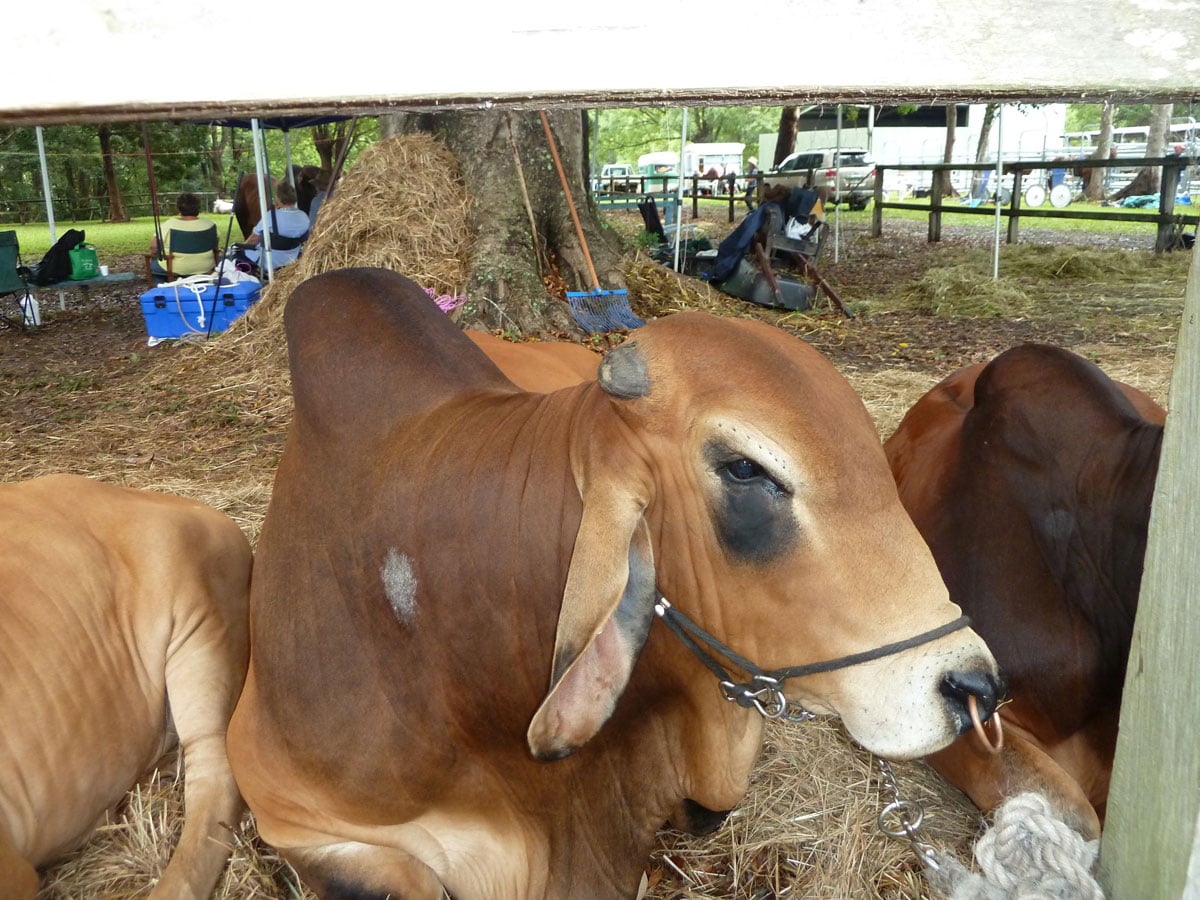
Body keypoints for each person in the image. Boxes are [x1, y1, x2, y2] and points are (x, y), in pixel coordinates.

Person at [235, 179, 310, 274]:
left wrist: (241, 247)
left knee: (235, 256)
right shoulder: (304, 216)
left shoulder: (271, 216)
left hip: (270, 261)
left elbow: (254, 239)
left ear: (278, 198)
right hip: (292, 259)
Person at [148, 192, 218, 280]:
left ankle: (162, 284)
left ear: (178, 209)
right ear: (198, 208)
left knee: (154, 265)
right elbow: (215, 245)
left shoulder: (169, 224)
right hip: (205, 267)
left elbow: (154, 247)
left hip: (175, 268)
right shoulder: (210, 224)